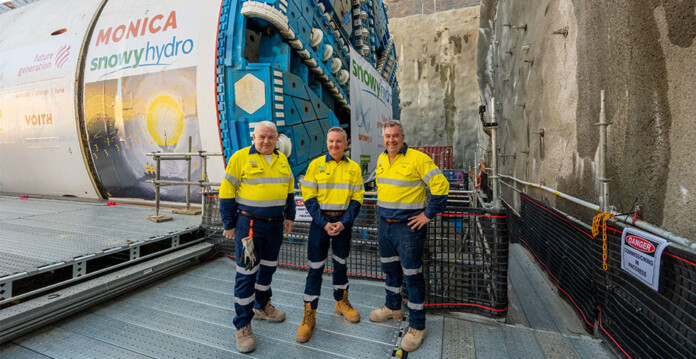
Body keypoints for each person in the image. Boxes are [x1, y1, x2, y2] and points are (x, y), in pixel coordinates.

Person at [369, 120, 449, 352]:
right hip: (385, 226)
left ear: (403, 137)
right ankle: (392, 307)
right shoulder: (382, 159)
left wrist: (428, 214)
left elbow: (441, 186)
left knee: (412, 275)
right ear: (383, 138)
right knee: (390, 269)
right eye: (387, 136)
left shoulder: (418, 158)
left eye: (395, 136)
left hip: (408, 227)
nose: (391, 140)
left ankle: (417, 325)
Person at [218, 121, 296, 353]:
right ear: (254, 136)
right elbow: (226, 192)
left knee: (268, 267)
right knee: (247, 272)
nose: (266, 141)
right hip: (250, 226)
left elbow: (289, 190)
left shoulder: (282, 159)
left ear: (276, 138)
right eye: (262, 137)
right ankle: (243, 324)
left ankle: (262, 306)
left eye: (270, 138)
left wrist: (290, 216)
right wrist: (229, 224)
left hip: (275, 226)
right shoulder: (240, 158)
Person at [296, 127, 365, 342]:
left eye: (339, 141)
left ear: (346, 144)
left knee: (341, 264)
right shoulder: (315, 165)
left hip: (343, 223)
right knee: (315, 268)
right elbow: (309, 198)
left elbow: (357, 199)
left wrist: (343, 223)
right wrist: (325, 223)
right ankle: (309, 313)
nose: (334, 145)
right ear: (326, 143)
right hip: (320, 225)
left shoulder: (354, 168)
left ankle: (341, 302)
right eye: (331, 141)